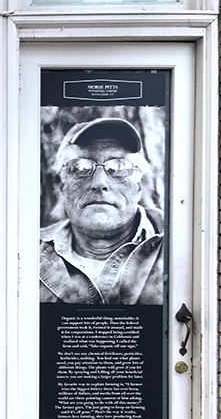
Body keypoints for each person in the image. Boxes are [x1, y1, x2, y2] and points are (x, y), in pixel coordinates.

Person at [39, 117, 164, 305]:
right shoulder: (25, 250)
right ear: (61, 187)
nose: (99, 183)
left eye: (118, 167)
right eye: (80, 168)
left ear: (139, 186)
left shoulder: (176, 243)